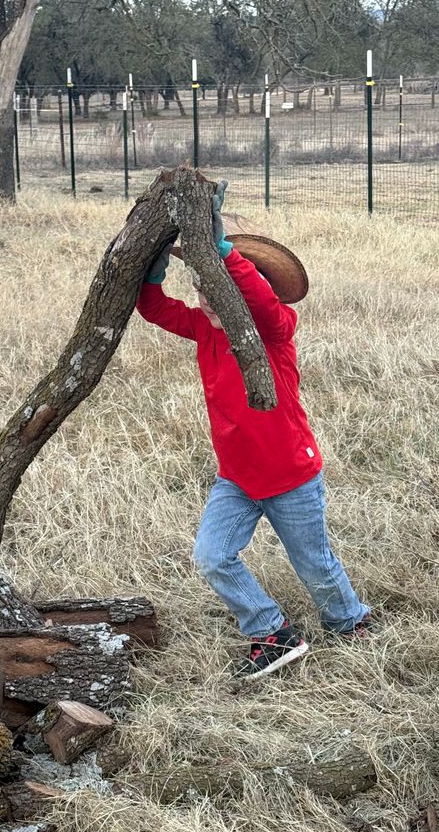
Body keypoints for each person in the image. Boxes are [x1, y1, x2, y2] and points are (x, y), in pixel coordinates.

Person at [137, 181, 370, 682]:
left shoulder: (275, 329)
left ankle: (350, 621)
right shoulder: (203, 328)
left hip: (290, 476)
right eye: (203, 287)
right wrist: (154, 262)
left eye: (222, 287)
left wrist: (225, 253)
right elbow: (153, 308)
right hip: (237, 478)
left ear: (251, 289)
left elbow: (262, 306)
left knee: (314, 564)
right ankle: (272, 631)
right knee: (212, 557)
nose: (209, 299)